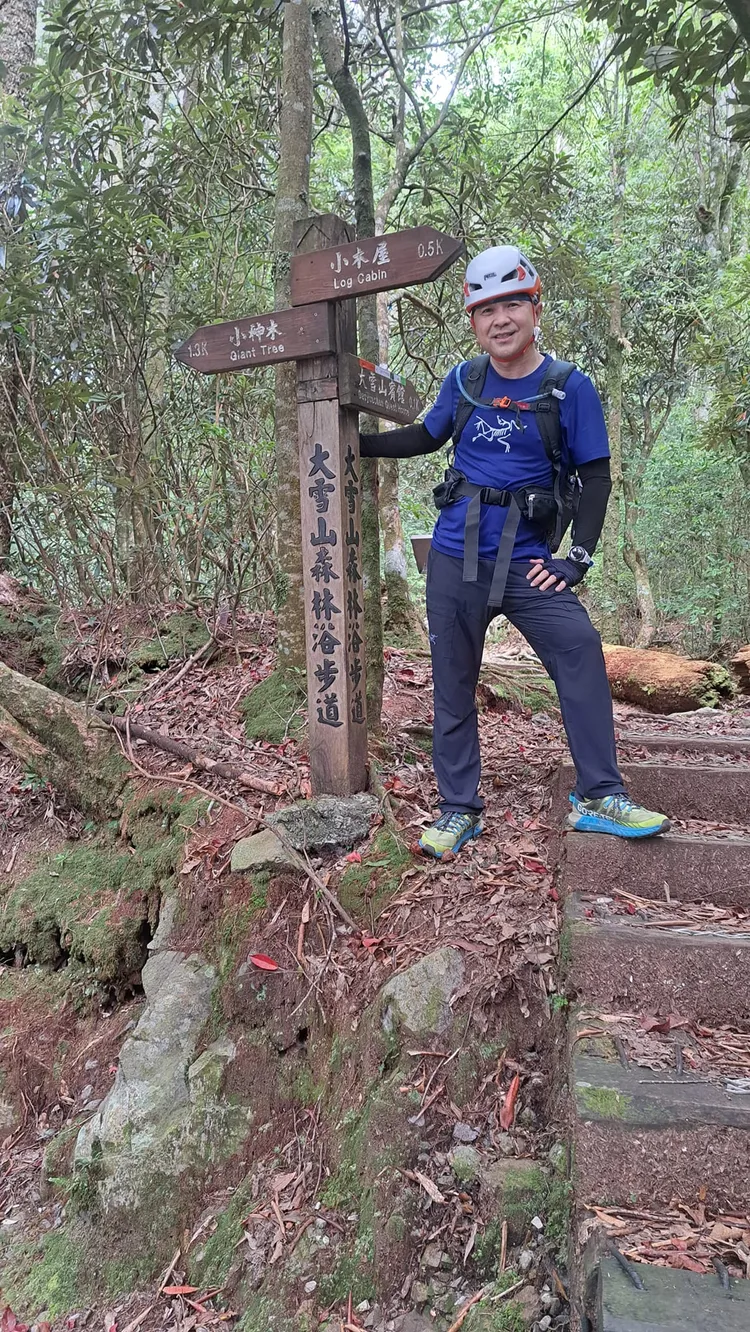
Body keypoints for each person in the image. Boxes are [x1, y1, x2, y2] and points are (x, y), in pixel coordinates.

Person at [360, 244, 671, 859]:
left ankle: (599, 795)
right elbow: (426, 435)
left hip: (530, 562)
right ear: (473, 321)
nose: (499, 319)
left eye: (511, 305)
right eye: (485, 309)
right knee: (452, 679)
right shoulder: (465, 380)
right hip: (454, 556)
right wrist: (354, 444)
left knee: (580, 650)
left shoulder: (568, 388)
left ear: (534, 308)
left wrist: (577, 557)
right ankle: (458, 808)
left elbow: (596, 476)